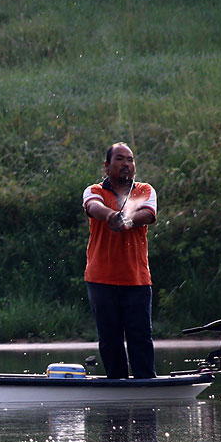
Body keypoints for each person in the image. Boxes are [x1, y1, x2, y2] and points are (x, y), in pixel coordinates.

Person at [82, 142, 158, 379]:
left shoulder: (145, 190)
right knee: (110, 338)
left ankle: (146, 384)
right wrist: (111, 216)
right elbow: (94, 207)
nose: (126, 164)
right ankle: (117, 385)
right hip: (101, 279)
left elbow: (148, 214)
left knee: (140, 337)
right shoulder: (93, 190)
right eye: (120, 159)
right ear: (107, 166)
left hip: (136, 280)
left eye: (130, 159)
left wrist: (127, 220)